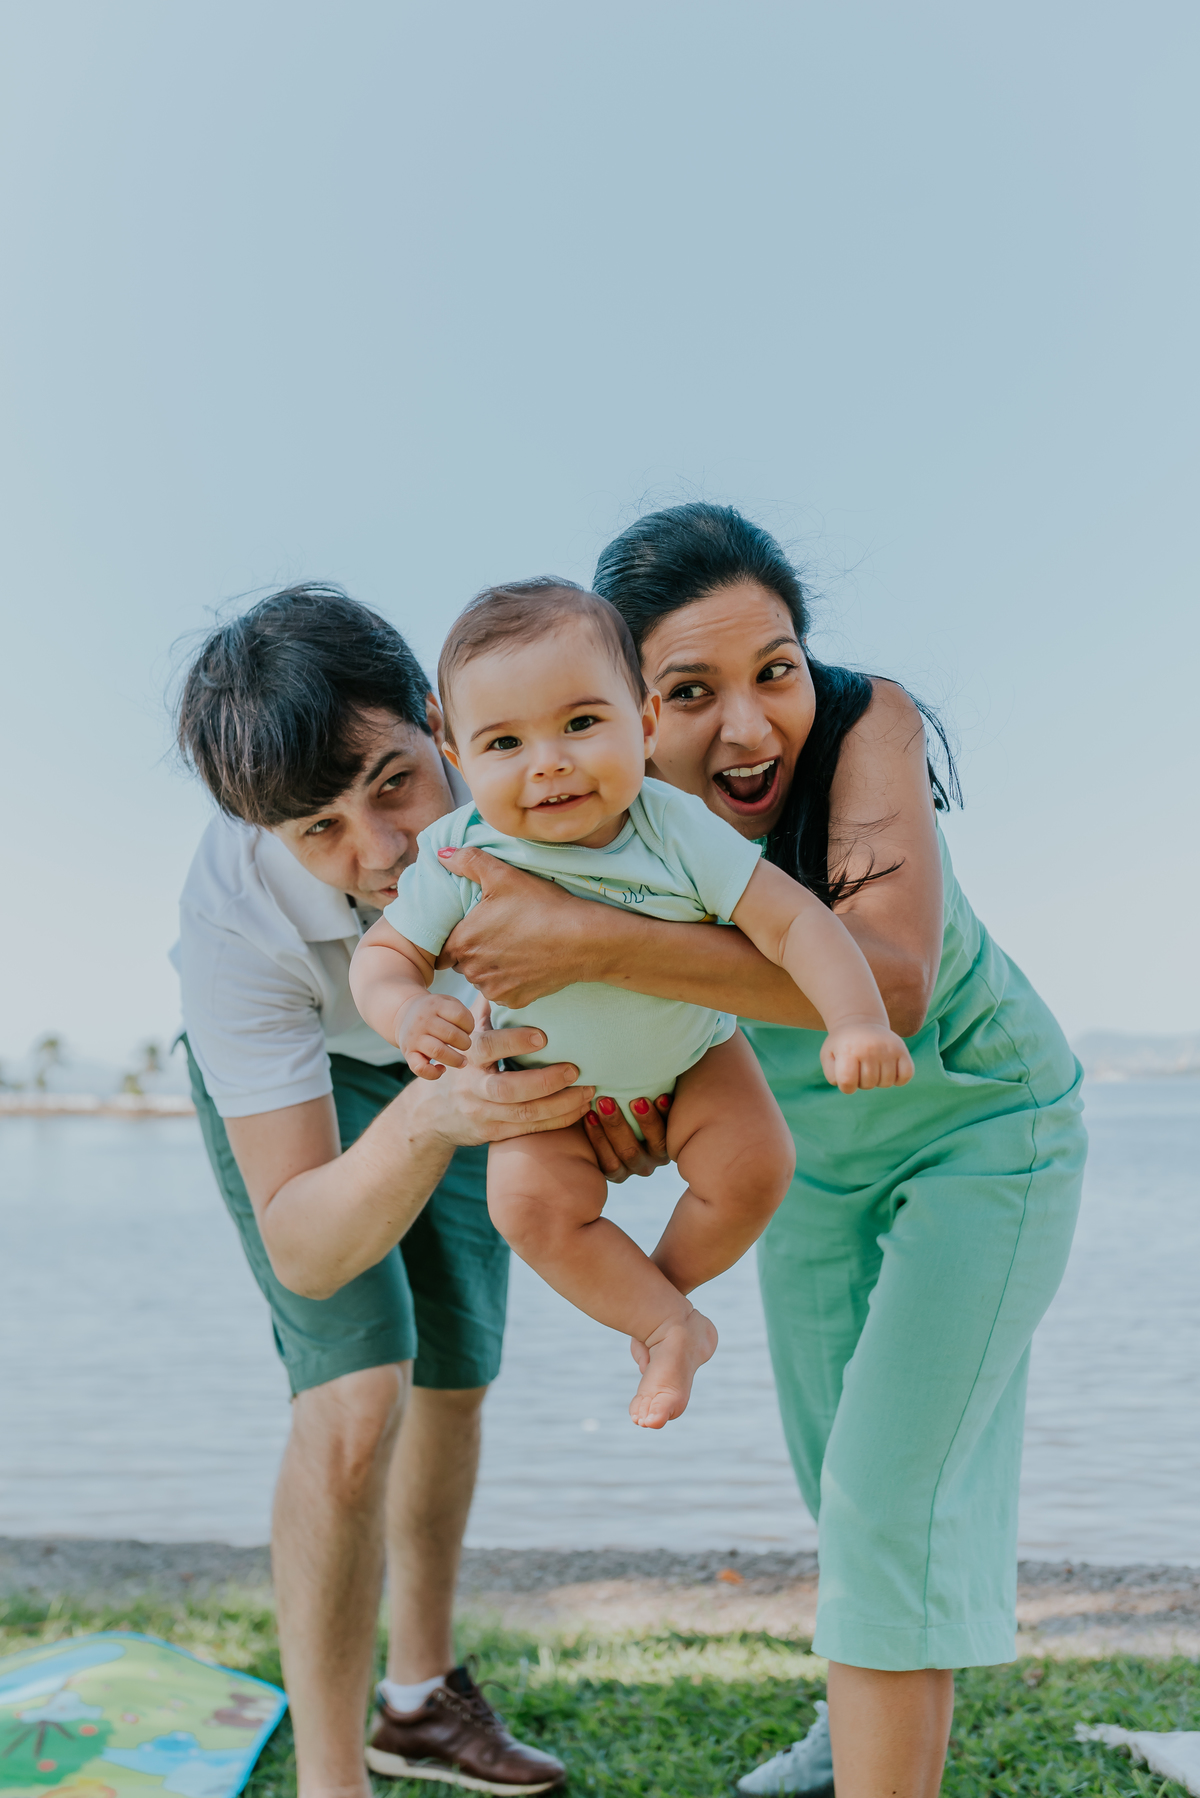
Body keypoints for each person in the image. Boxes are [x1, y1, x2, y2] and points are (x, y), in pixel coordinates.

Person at [429, 508, 1086, 1798]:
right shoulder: (572, 810)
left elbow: (886, 984)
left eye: (773, 668)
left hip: (984, 1129)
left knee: (895, 1488)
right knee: (836, 1477)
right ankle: (855, 1733)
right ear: (624, 703)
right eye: (690, 692)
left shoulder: (864, 724)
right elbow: (558, 1002)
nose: (749, 727)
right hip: (812, 1164)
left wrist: (591, 942)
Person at [173, 585, 598, 1798]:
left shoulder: (530, 774)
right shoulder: (233, 917)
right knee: (358, 1397)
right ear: (265, 830)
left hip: (450, 1050)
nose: (379, 851)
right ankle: (331, 1779)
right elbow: (305, 1245)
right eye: (318, 828)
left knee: (456, 1377)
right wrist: (425, 1115)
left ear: (437, 722)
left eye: (395, 783)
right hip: (321, 1089)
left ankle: (417, 1701)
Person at [351, 579, 912, 1430]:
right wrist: (401, 1011)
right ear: (457, 757)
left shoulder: (673, 827)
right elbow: (384, 954)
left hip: (695, 1061)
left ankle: (664, 1294)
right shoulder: (461, 852)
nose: (549, 762)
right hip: (550, 1096)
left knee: (758, 1165)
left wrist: (858, 1019)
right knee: (527, 1209)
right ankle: (664, 1323)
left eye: (581, 724)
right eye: (505, 742)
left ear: (643, 724)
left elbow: (796, 921)